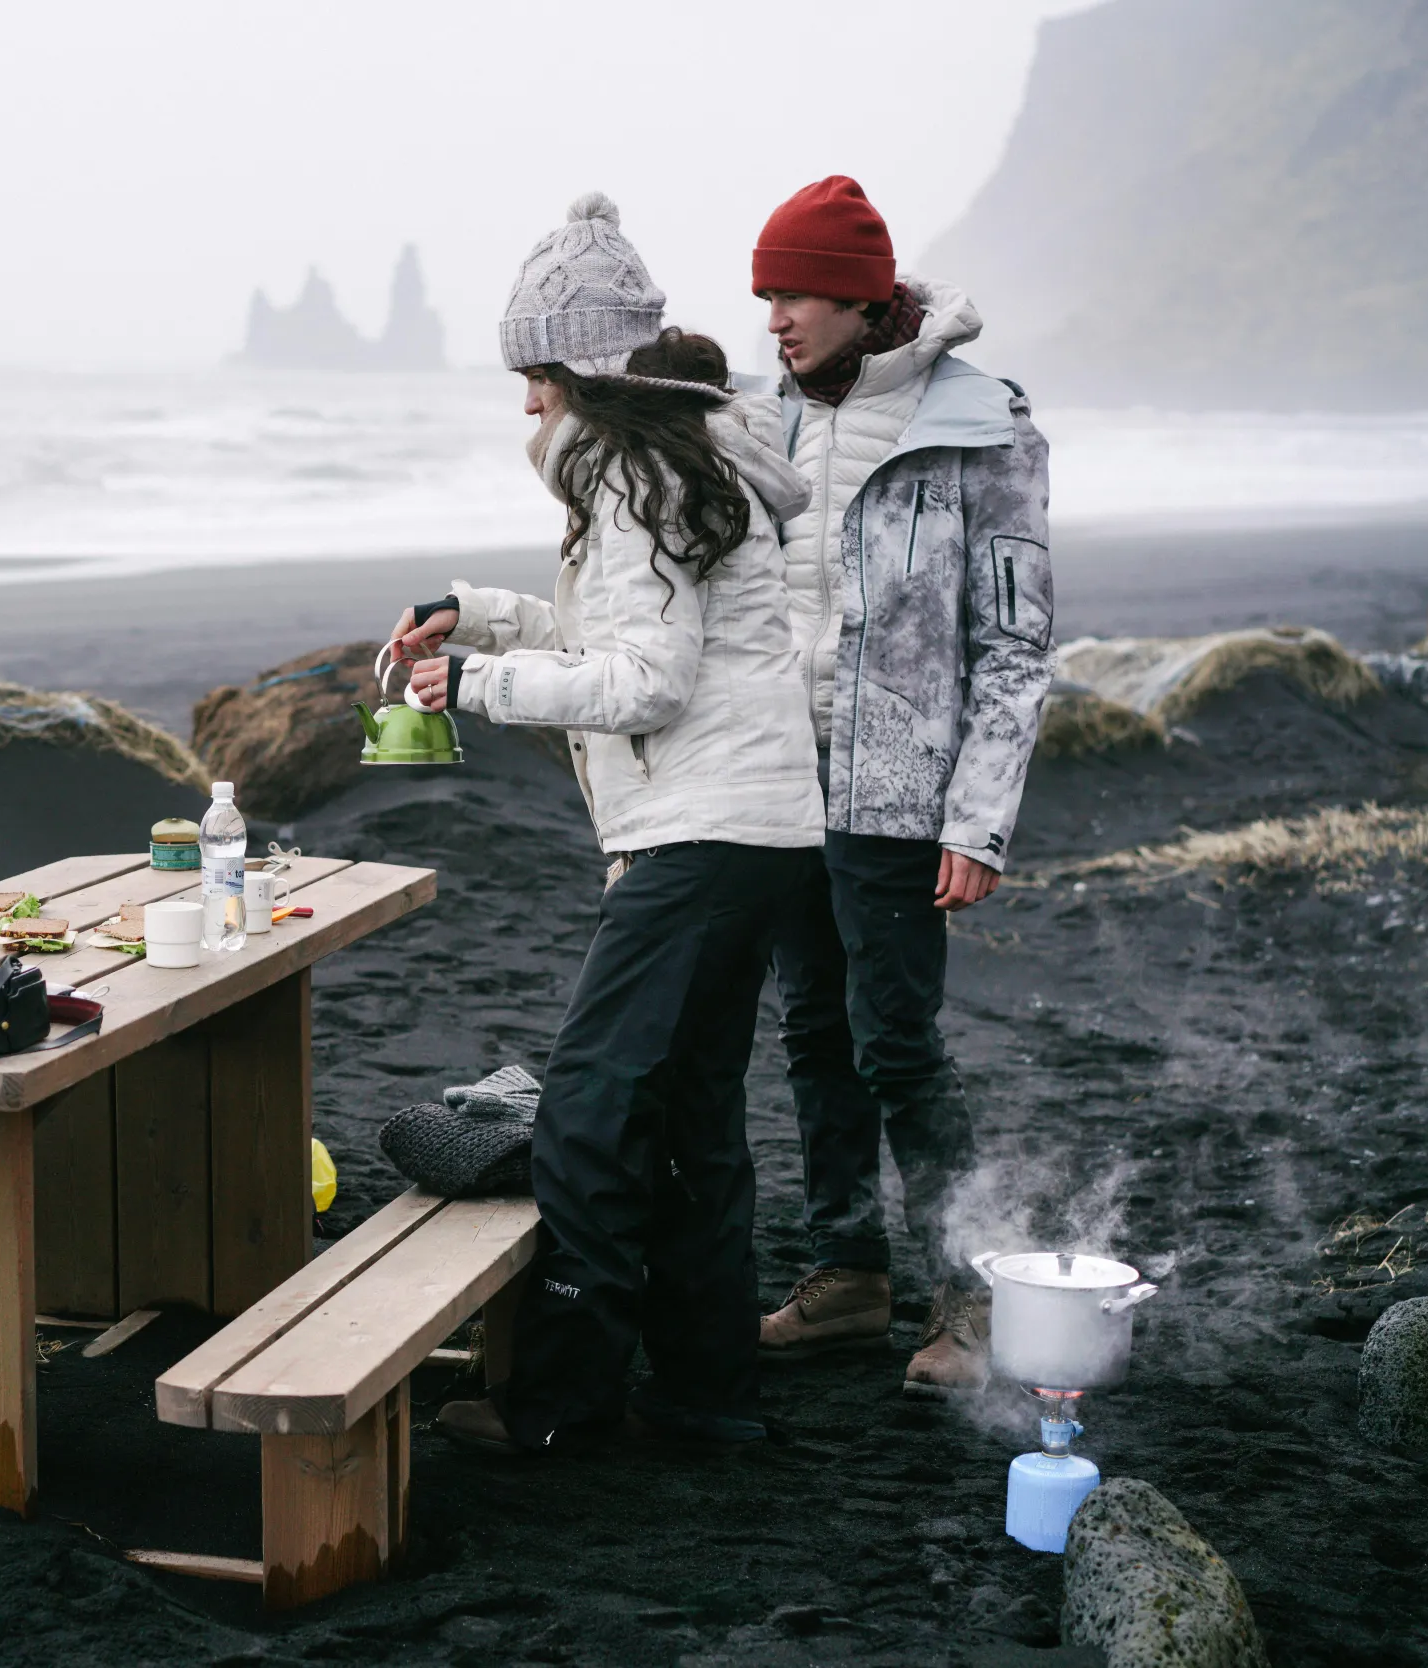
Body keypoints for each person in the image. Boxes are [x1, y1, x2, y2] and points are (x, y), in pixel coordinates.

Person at [398, 194, 823, 1453]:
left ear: (580, 370)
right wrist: (470, 614)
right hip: (751, 833)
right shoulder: (665, 465)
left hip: (701, 835)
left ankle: (561, 1410)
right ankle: (704, 1394)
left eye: (534, 375)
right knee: (692, 1110)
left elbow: (646, 683)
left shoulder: (634, 475)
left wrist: (470, 686)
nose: (524, 404)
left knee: (587, 1107)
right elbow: (616, 637)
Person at [744, 177, 1054, 1392]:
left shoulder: (984, 424)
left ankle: (965, 1301)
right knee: (812, 1033)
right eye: (765, 292)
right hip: (781, 786)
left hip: (899, 795)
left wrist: (977, 820)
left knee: (897, 1049)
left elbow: (1017, 643)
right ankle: (848, 1277)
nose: (775, 315)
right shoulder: (759, 422)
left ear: (862, 299)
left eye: (797, 292)